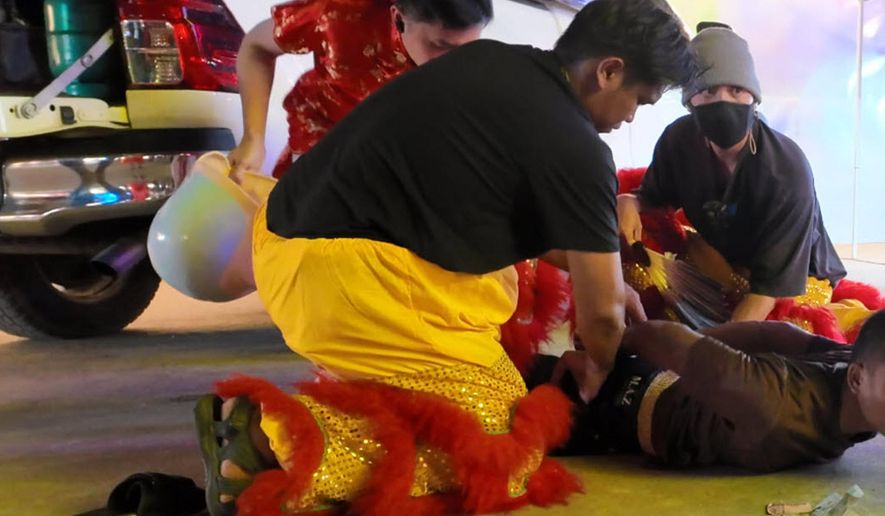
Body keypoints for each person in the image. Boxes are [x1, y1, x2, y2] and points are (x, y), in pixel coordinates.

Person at [193, 0, 698, 514]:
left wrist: (606, 281)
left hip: (285, 241)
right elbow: (602, 319)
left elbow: (485, 214)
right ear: (609, 71)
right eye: (640, 100)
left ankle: (335, 406)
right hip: (347, 279)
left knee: (484, 388)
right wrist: (598, 365)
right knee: (500, 442)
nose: (631, 116)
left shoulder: (493, 62)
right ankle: (265, 436)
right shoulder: (579, 146)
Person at [617, 22, 847, 323]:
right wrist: (629, 201)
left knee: (786, 332)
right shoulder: (679, 140)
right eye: (708, 91)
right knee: (635, 272)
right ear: (690, 101)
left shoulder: (786, 169)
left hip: (795, 279)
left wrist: (719, 345)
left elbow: (768, 291)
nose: (722, 101)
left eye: (736, 90)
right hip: (728, 266)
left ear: (753, 98)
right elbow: (653, 195)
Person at [533, 310, 885, 472]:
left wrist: (701, 344)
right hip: (613, 399)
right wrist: (605, 351)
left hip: (671, 388)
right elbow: (661, 336)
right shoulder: (775, 401)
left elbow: (779, 334)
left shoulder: (852, 364)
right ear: (856, 379)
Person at [228, 0, 493, 179]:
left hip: (394, 172)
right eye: (440, 46)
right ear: (398, 17)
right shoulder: (341, 14)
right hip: (322, 156)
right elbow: (257, 48)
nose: (454, 62)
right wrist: (253, 138)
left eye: (467, 48)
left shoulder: (476, 65)